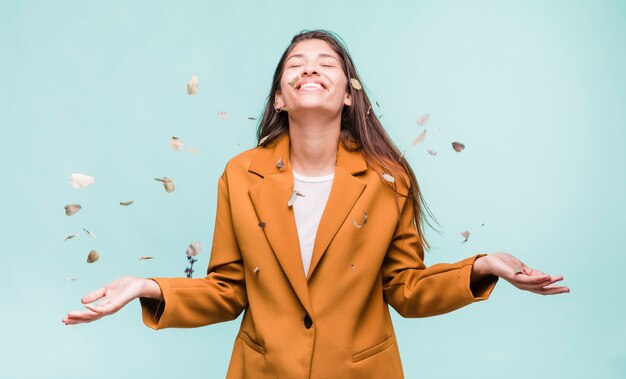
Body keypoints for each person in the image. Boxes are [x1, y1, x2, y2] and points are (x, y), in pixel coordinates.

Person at [63, 30, 569, 378]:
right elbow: (226, 290)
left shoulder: (388, 179)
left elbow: (407, 289)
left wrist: (482, 266)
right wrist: (144, 286)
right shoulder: (240, 175)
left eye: (327, 63)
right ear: (279, 97)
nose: (311, 69)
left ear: (349, 94)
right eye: (296, 65)